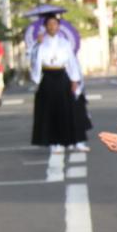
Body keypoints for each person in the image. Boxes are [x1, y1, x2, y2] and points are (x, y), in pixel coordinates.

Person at [29, 11, 83, 152]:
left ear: (58, 26)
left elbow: (71, 61)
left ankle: (66, 140)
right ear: (45, 26)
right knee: (49, 110)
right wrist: (37, 45)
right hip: (47, 76)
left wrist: (74, 79)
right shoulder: (40, 42)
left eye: (55, 24)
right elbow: (33, 60)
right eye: (49, 24)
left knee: (64, 109)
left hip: (61, 76)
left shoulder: (64, 43)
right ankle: (53, 141)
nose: (52, 27)